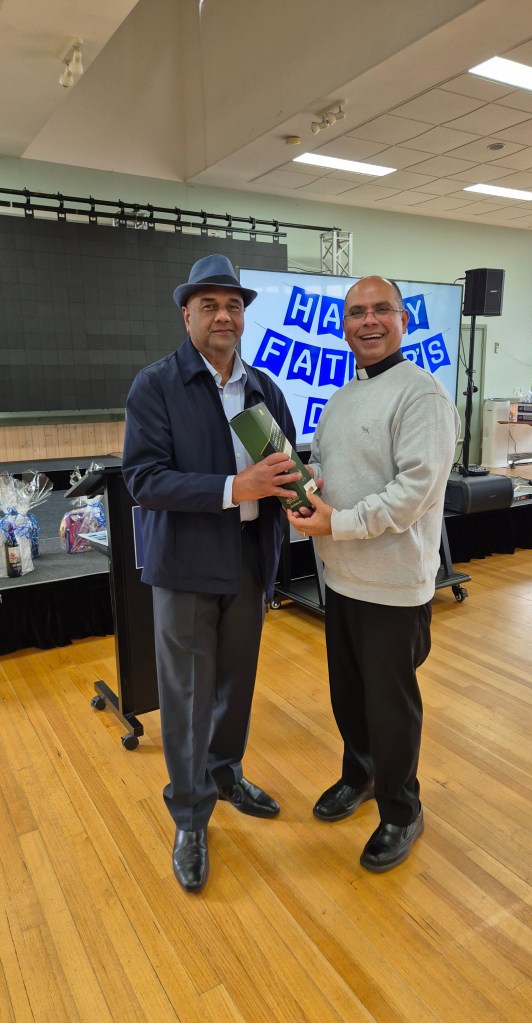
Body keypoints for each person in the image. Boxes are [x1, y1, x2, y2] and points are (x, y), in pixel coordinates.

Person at [122, 254, 299, 894]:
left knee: (235, 684)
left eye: (233, 306)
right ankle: (191, 817)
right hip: (187, 564)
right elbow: (144, 480)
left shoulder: (264, 389)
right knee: (189, 696)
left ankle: (225, 774)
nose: (224, 316)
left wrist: (299, 491)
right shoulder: (156, 385)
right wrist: (234, 486)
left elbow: (284, 465)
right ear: (187, 315)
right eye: (210, 306)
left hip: (250, 560)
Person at [287, 275, 459, 873]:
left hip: (394, 585)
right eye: (356, 312)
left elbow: (413, 493)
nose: (368, 321)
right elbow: (325, 465)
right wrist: (305, 484)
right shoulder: (340, 399)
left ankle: (402, 810)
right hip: (341, 578)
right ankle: (359, 776)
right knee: (349, 697)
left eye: (381, 309)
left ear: (403, 320)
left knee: (391, 709)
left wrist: (336, 522)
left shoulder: (422, 396)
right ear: (344, 326)